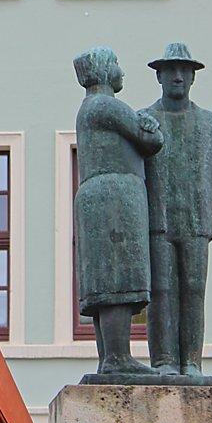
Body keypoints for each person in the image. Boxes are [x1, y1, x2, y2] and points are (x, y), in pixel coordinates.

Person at [73, 47, 164, 378]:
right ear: (101, 71)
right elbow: (149, 140)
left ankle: (110, 357)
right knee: (117, 279)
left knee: (106, 281)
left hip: (100, 194)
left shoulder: (89, 108)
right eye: (115, 64)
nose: (120, 70)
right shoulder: (105, 104)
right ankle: (118, 357)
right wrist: (151, 124)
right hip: (115, 197)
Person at [141, 43, 212, 379]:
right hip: (157, 219)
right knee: (161, 291)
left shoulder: (209, 122)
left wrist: (204, 215)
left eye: (184, 70)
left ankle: (191, 361)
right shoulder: (145, 119)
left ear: (192, 76)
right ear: (159, 75)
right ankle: (163, 361)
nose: (178, 76)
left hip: (195, 220)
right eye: (171, 70)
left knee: (193, 289)